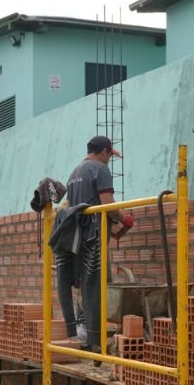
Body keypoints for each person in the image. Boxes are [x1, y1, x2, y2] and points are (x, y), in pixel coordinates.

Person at [50, 135, 134, 354]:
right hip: (94, 237)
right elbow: (107, 205)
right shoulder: (100, 169)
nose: (109, 160)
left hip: (78, 237)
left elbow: (77, 205)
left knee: (85, 284)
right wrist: (124, 218)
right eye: (109, 155)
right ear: (104, 151)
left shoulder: (74, 173)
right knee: (96, 285)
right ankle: (95, 338)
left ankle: (83, 329)